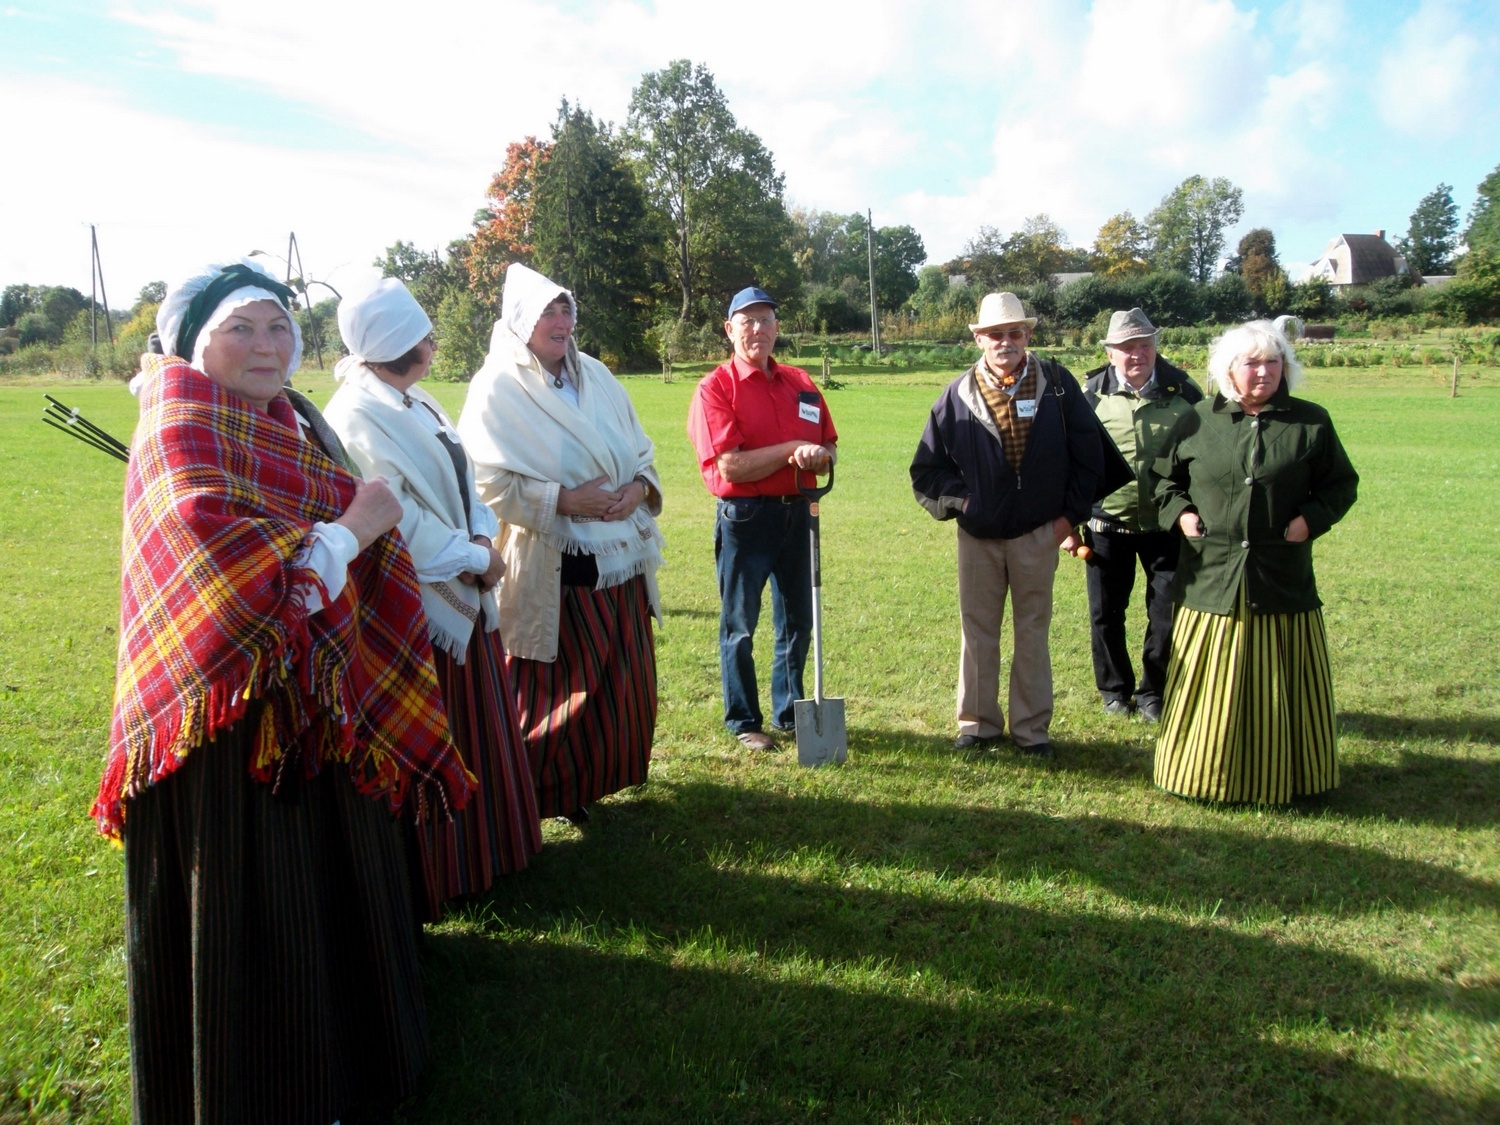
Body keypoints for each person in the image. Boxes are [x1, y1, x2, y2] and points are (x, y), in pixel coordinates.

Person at [93, 260, 473, 1123]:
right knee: (255, 904)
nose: (266, 347)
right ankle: (262, 1084)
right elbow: (230, 580)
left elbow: (309, 541)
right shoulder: (182, 427)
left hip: (313, 707)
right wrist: (354, 527)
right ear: (199, 344)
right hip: (224, 730)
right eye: (242, 330)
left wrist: (343, 528)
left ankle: (347, 1058)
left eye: (277, 329)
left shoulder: (281, 420)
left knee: (325, 886)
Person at [325, 279, 542, 920]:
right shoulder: (356, 415)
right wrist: (475, 557)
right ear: (404, 344)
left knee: (480, 726)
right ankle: (449, 869)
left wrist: (480, 532)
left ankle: (492, 851)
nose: (431, 344)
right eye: (422, 336)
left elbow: (462, 476)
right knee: (438, 732)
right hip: (417, 607)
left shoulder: (415, 402)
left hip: (464, 588)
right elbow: (397, 519)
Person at [457, 263, 663, 823]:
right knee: (556, 693)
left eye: (566, 308)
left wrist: (638, 489)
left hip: (620, 556)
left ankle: (581, 788)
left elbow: (642, 449)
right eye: (547, 310)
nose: (560, 320)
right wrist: (566, 502)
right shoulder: (497, 386)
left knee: (619, 685)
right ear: (521, 321)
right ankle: (521, 801)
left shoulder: (596, 374)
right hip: (554, 565)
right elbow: (485, 480)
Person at [1150, 320, 1357, 804]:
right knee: (1209, 685)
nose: (1263, 372)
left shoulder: (1311, 422)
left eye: (1272, 362)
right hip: (1211, 579)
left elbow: (1340, 485)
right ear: (1228, 369)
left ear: (1286, 367)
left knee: (1279, 683)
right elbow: (1161, 483)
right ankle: (1199, 775)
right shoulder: (1196, 420)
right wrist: (1182, 516)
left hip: (1280, 576)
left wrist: (1310, 519)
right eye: (1251, 363)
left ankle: (1291, 777)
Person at [910, 291, 1107, 758]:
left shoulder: (1058, 386)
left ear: (1028, 335)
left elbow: (1090, 458)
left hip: (1039, 533)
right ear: (978, 338)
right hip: (978, 537)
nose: (1005, 342)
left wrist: (1065, 520)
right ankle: (977, 725)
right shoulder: (955, 396)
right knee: (978, 632)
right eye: (995, 334)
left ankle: (1031, 731)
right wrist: (966, 504)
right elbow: (927, 471)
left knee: (1033, 631)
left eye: (1014, 332)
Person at [686, 286, 838, 751]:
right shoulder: (715, 388)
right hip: (745, 521)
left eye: (766, 320)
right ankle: (744, 720)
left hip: (798, 516)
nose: (758, 329)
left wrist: (819, 457)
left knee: (798, 621)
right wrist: (794, 450)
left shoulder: (801, 383)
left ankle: (792, 711)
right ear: (729, 330)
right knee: (740, 624)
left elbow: (830, 445)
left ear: (777, 328)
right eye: (747, 321)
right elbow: (730, 464)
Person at [1081, 308, 1204, 722]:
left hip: (1168, 524)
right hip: (1105, 525)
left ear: (1156, 346)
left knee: (1166, 613)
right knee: (1106, 614)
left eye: (1145, 345)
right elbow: (1073, 459)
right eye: (1127, 347)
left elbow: (1207, 452)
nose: (1137, 354)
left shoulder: (1184, 391)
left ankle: (1154, 692)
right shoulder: (1089, 394)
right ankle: (1114, 691)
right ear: (1110, 352)